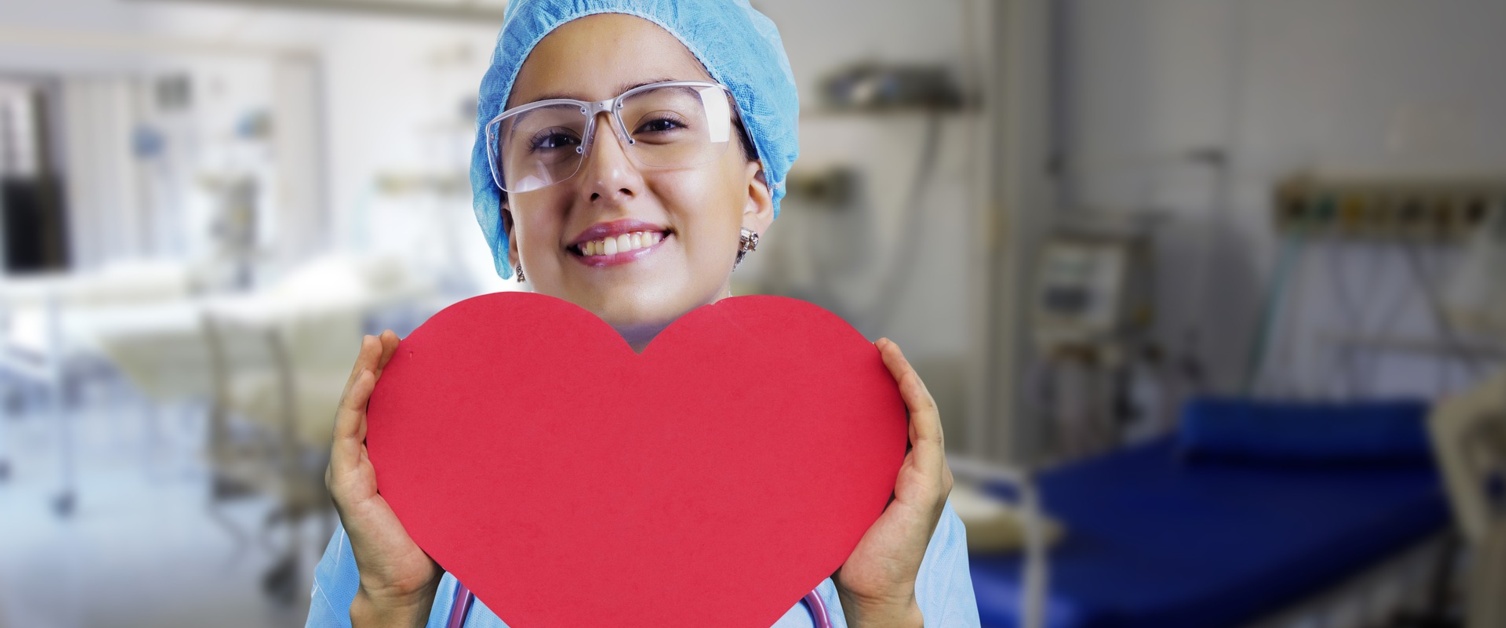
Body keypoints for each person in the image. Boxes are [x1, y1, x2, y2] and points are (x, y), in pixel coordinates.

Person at [307, 1, 980, 626]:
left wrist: (883, 607)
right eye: (552, 139)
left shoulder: (877, 480)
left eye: (659, 124)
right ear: (509, 222)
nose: (605, 172)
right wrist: (392, 605)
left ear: (754, 192)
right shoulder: (417, 484)